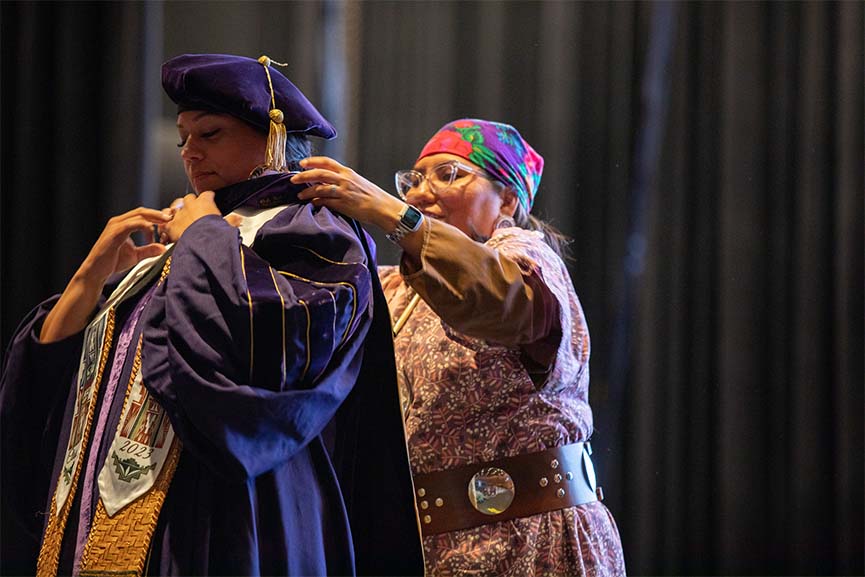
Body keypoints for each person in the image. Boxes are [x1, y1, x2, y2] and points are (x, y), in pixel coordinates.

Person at [0, 53, 420, 576]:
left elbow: (266, 353)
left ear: (271, 137)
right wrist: (92, 276)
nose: (190, 154)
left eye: (211, 133)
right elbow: (60, 391)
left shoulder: (311, 230)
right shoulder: (196, 236)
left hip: (225, 514)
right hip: (107, 515)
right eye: (183, 139)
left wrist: (201, 238)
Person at [292, 118, 627, 575]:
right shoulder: (401, 288)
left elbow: (493, 296)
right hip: (429, 553)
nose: (419, 193)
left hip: (527, 546)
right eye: (413, 181)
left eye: (449, 174)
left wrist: (389, 213)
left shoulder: (528, 260)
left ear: (507, 199)